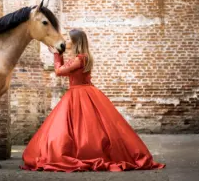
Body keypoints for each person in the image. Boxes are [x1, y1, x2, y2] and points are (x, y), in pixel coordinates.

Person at [21, 29, 165, 172]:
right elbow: (68, 72)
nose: (67, 42)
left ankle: (84, 153)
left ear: (76, 42)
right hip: (84, 92)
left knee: (84, 129)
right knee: (79, 128)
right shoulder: (83, 57)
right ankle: (78, 151)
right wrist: (60, 55)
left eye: (69, 39)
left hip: (79, 94)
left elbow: (59, 72)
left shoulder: (80, 59)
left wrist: (57, 55)